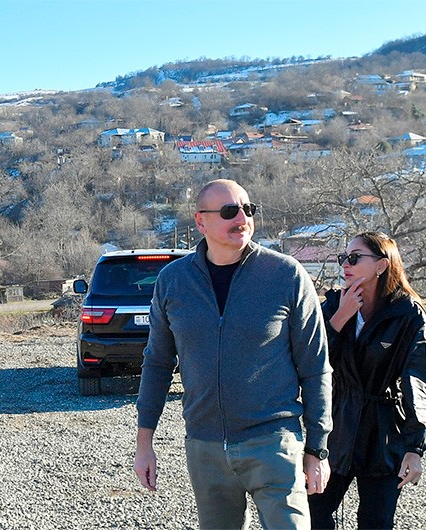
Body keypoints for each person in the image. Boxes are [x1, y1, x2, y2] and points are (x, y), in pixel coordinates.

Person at [133, 179, 333, 530]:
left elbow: (316, 368)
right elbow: (158, 364)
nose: (242, 217)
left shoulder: (286, 275)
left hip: (274, 441)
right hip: (205, 446)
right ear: (200, 221)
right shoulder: (173, 282)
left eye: (247, 209)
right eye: (229, 211)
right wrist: (144, 443)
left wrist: (317, 449)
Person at [309, 231, 426, 530]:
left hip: (383, 433)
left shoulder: (407, 314)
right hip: (337, 428)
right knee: (312, 513)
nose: (345, 265)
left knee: (376, 522)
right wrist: (340, 318)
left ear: (381, 265)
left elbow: (417, 381)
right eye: (343, 258)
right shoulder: (333, 305)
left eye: (354, 258)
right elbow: (312, 363)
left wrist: (415, 448)